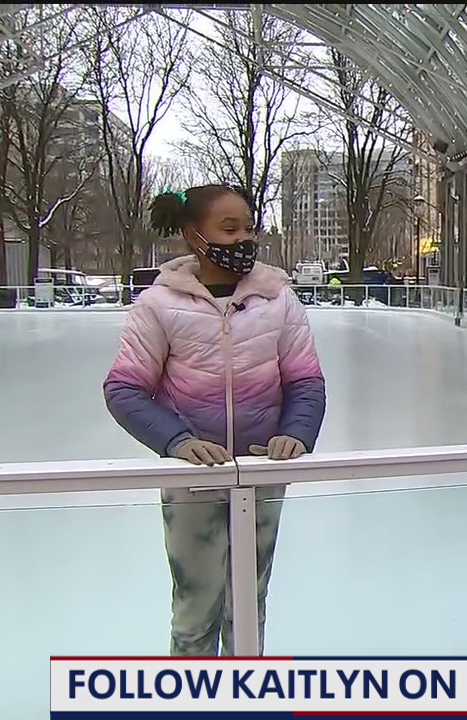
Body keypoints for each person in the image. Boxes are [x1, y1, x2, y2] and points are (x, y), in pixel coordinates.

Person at [103, 184, 326, 656]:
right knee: (195, 604)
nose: (242, 238)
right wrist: (178, 441)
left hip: (261, 475)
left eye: (248, 227)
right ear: (193, 235)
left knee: (248, 602)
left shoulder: (278, 300)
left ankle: (244, 696)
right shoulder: (157, 306)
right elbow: (124, 389)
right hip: (193, 481)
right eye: (228, 229)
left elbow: (306, 381)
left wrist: (295, 433)